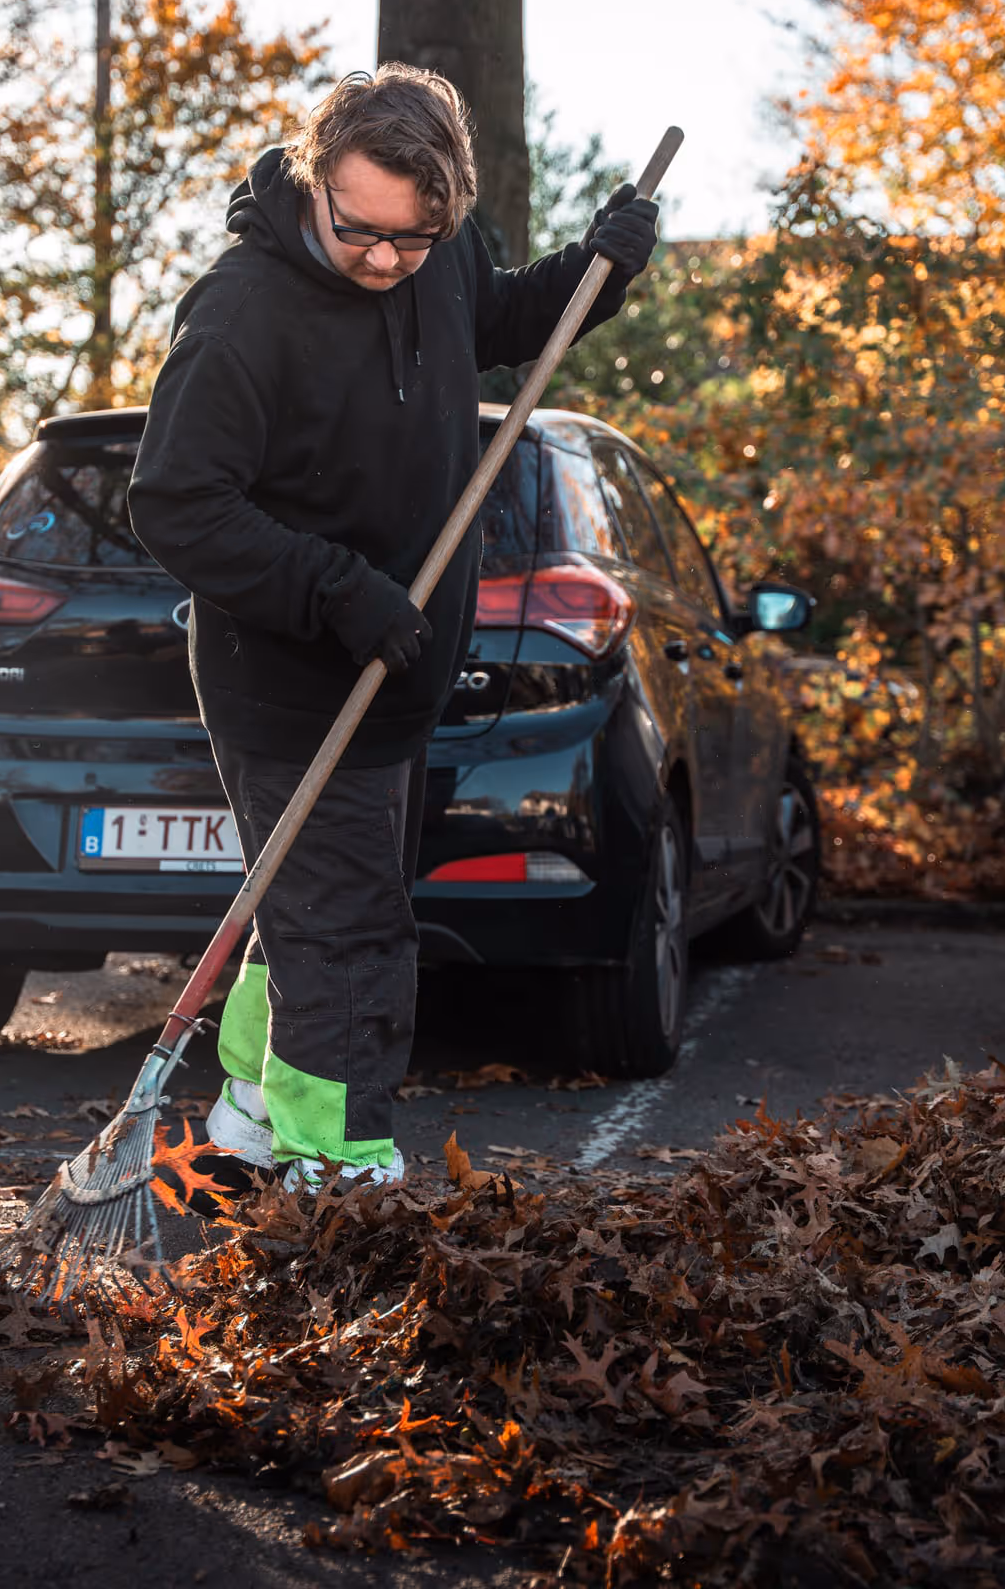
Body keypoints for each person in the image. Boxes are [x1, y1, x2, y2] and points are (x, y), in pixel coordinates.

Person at [127, 65, 658, 1190]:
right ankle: (338, 1163)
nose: (380, 261)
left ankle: (258, 1112)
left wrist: (593, 274)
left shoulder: (440, 251)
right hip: (285, 674)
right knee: (354, 930)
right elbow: (177, 503)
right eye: (355, 230)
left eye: (408, 243)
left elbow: (500, 319)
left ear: (446, 210)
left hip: (398, 668)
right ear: (315, 178)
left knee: (310, 908)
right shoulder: (240, 313)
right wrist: (335, 589)